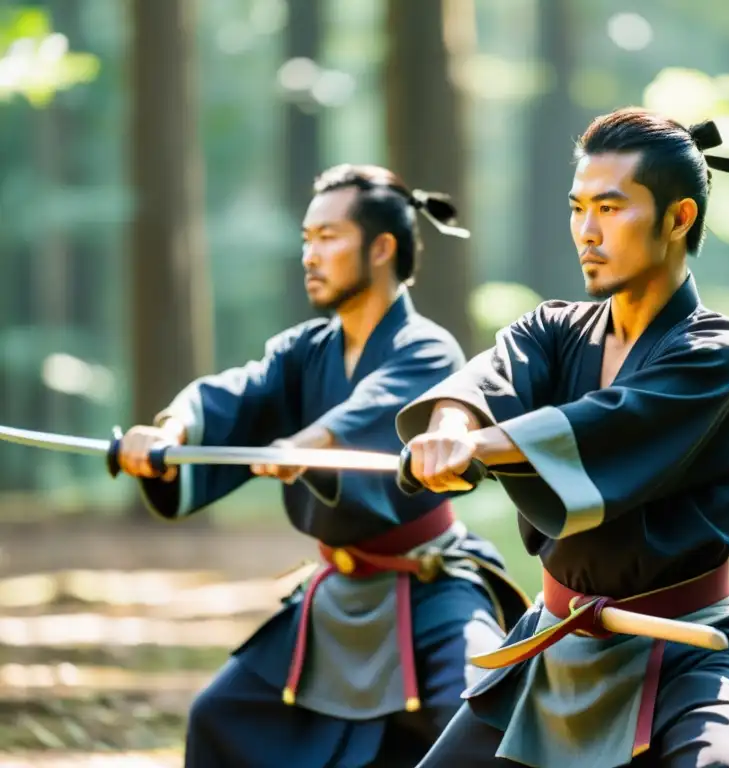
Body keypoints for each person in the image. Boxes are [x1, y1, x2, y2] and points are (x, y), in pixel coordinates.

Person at [393, 108, 729, 768]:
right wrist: (448, 429)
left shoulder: (720, 353)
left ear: (678, 219)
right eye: (579, 208)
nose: (587, 231)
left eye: (610, 209)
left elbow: (613, 422)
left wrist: (481, 448)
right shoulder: (553, 329)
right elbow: (483, 383)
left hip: (688, 648)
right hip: (554, 644)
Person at [115, 164, 531, 768]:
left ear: (382, 247)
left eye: (329, 237)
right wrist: (167, 434)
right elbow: (237, 393)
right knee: (220, 716)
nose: (310, 255)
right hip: (337, 593)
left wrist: (306, 444)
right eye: (306, 239)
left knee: (486, 715)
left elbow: (377, 407)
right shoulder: (302, 350)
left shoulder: (428, 347)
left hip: (431, 587)